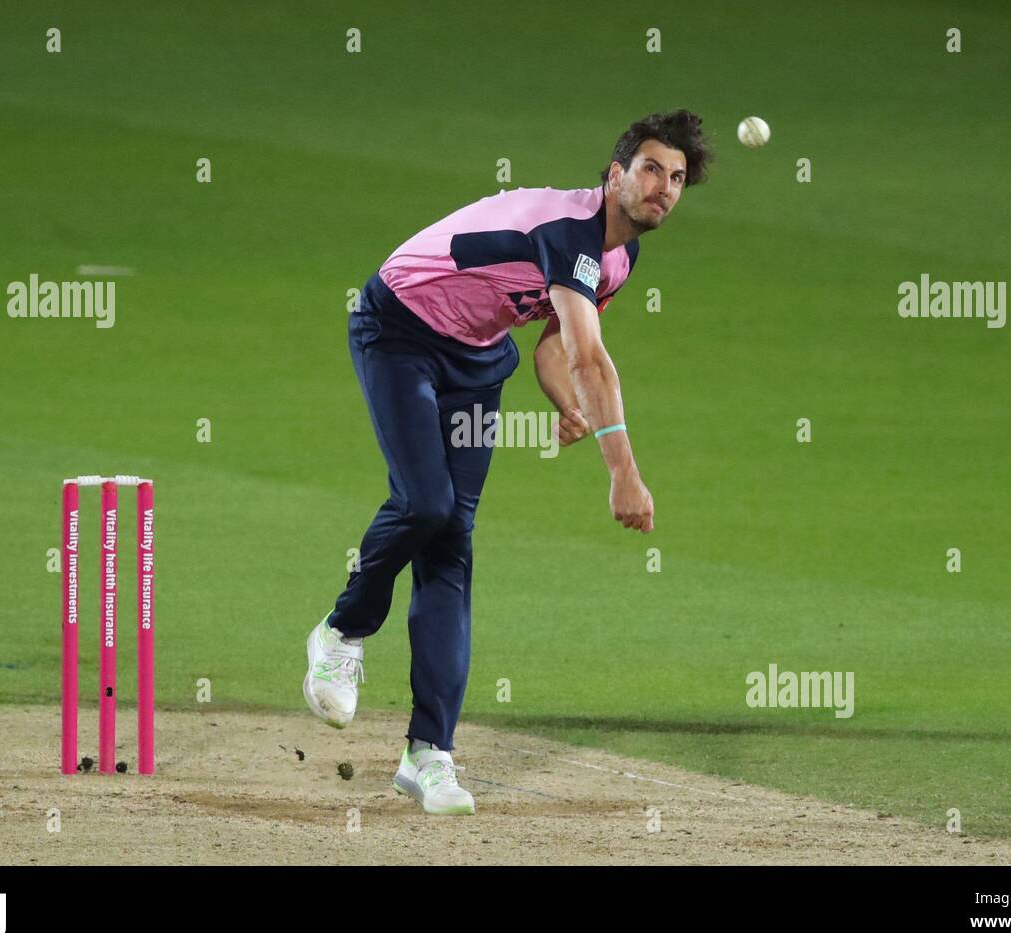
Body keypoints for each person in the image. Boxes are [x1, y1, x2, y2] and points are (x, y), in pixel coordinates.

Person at [304, 109, 714, 814]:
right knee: (426, 503)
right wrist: (623, 470)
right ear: (615, 174)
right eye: (651, 170)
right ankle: (343, 630)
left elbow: (556, 346)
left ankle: (429, 755)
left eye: (677, 179)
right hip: (399, 329)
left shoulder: (618, 256)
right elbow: (591, 357)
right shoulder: (569, 231)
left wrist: (566, 407)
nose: (664, 188)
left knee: (451, 542)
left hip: (475, 361)